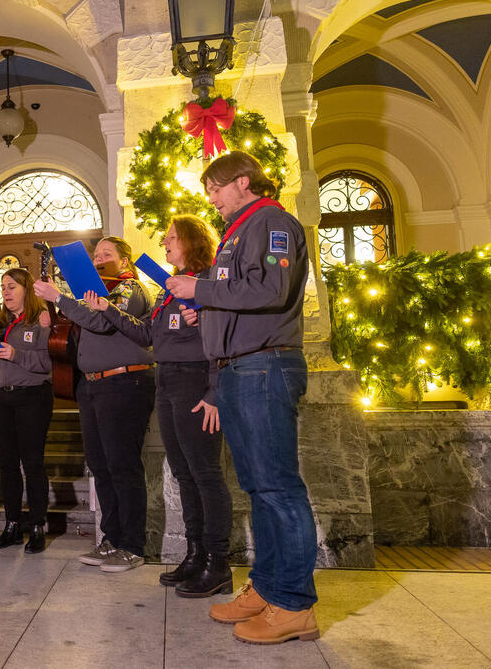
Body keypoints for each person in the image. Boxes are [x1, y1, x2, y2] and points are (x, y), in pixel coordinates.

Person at [169, 151, 319, 644]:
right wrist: (205, 310)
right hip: (239, 368)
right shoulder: (238, 232)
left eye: (214, 187)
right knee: (258, 488)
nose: (209, 197)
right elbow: (237, 294)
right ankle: (268, 587)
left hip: (264, 366)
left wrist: (201, 288)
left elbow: (271, 288)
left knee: (277, 488)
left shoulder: (272, 222)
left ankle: (293, 604)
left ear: (243, 181)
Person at [85, 216, 232, 595]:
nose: (165, 244)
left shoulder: (209, 283)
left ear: (191, 242)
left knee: (205, 474)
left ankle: (218, 563)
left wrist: (214, 391)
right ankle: (195, 555)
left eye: (171, 238)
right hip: (167, 381)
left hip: (195, 380)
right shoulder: (170, 290)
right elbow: (147, 334)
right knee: (183, 473)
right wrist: (107, 308)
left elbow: (224, 340)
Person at [34, 237, 155, 572]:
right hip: (93, 386)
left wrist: (59, 298)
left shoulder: (128, 289)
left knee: (123, 466)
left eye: (107, 254)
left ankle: (132, 545)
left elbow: (102, 322)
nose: (99, 259)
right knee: (101, 467)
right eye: (95, 255)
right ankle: (111, 540)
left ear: (126, 262)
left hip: (123, 383)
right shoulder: (96, 295)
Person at [0, 268, 53, 554]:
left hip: (32, 397)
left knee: (33, 464)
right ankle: (13, 525)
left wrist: (15, 353)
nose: (5, 291)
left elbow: (47, 364)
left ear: (27, 290)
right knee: (7, 466)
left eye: (12, 286)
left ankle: (38, 526)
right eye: (3, 286)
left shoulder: (40, 319)